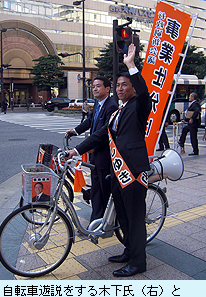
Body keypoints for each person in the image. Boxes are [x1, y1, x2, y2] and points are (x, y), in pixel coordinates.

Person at [67, 44, 151, 277]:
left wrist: (131, 65)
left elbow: (145, 93)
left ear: (133, 88)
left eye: (125, 85)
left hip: (132, 171)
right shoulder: (117, 111)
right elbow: (100, 134)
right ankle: (129, 251)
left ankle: (138, 262)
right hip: (117, 171)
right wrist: (77, 150)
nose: (120, 88)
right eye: (118, 85)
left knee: (134, 218)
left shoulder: (139, 106)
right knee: (122, 214)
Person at [65, 76, 118, 222]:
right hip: (95, 155)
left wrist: (85, 148)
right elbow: (90, 121)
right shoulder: (99, 103)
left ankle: (103, 219)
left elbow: (106, 132)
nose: (94, 89)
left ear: (107, 89)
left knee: (103, 189)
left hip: (104, 155)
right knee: (96, 188)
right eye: (93, 86)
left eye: (98, 86)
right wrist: (75, 131)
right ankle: (97, 218)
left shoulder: (111, 106)